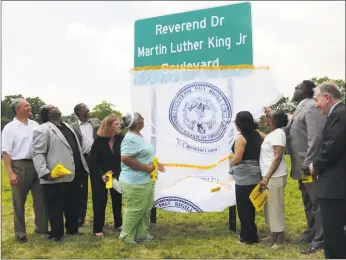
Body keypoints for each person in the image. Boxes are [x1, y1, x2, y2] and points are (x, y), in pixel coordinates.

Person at [265, 80, 326, 254]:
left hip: (308, 165)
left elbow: (315, 138)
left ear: (305, 90)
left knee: (316, 202)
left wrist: (309, 163)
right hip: (300, 166)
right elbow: (289, 129)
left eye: (297, 88)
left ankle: (320, 239)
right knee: (307, 201)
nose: (294, 90)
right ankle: (311, 233)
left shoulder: (312, 107)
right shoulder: (302, 106)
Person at [32, 104, 89, 242]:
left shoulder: (67, 126)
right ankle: (57, 233)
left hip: (74, 173)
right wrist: (45, 173)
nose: (57, 108)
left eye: (57, 106)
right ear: (47, 114)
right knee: (56, 205)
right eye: (53, 108)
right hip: (55, 175)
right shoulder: (43, 129)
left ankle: (73, 229)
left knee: (72, 203)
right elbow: (38, 153)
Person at [1, 98, 48, 242]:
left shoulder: (35, 125)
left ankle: (42, 229)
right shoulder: (9, 128)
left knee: (41, 199)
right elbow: (5, 152)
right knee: (19, 201)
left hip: (37, 164)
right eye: (26, 105)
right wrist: (10, 172)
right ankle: (20, 233)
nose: (30, 106)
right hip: (19, 166)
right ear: (17, 110)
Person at [119, 112, 165, 244]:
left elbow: (142, 154)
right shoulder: (130, 138)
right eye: (141, 118)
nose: (144, 120)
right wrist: (147, 168)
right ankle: (126, 236)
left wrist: (155, 164)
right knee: (135, 209)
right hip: (135, 182)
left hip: (146, 180)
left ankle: (141, 233)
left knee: (146, 208)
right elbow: (126, 158)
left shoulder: (138, 136)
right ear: (137, 122)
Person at [312, 82, 346, 259]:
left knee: (334, 237)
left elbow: (331, 148)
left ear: (327, 97)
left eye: (317, 99)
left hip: (335, 187)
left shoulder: (339, 115)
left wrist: (314, 165)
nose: (316, 104)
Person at [229, 111, 262, 245]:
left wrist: (230, 163)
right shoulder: (258, 134)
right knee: (251, 207)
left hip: (244, 176)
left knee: (243, 208)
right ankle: (252, 234)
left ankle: (247, 237)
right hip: (255, 174)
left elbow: (238, 157)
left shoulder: (241, 138)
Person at [89, 115, 123, 237]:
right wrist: (102, 174)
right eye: (116, 124)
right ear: (108, 126)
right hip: (100, 175)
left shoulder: (121, 139)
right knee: (99, 201)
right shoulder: (99, 141)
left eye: (119, 124)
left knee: (117, 200)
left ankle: (119, 223)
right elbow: (93, 161)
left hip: (117, 174)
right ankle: (98, 228)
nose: (119, 126)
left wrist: (116, 171)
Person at [259, 110, 288, 248]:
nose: (266, 119)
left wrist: (267, 177)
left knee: (275, 207)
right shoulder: (273, 134)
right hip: (270, 176)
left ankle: (280, 240)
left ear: (273, 120)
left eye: (268, 117)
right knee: (269, 207)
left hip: (274, 176)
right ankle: (274, 235)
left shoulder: (278, 134)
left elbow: (277, 157)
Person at [71, 103, 101, 227]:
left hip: (95, 158)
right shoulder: (72, 126)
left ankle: (98, 217)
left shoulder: (95, 122)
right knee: (81, 190)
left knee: (98, 188)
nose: (88, 109)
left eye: (87, 107)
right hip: (81, 159)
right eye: (84, 108)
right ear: (78, 112)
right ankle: (79, 218)